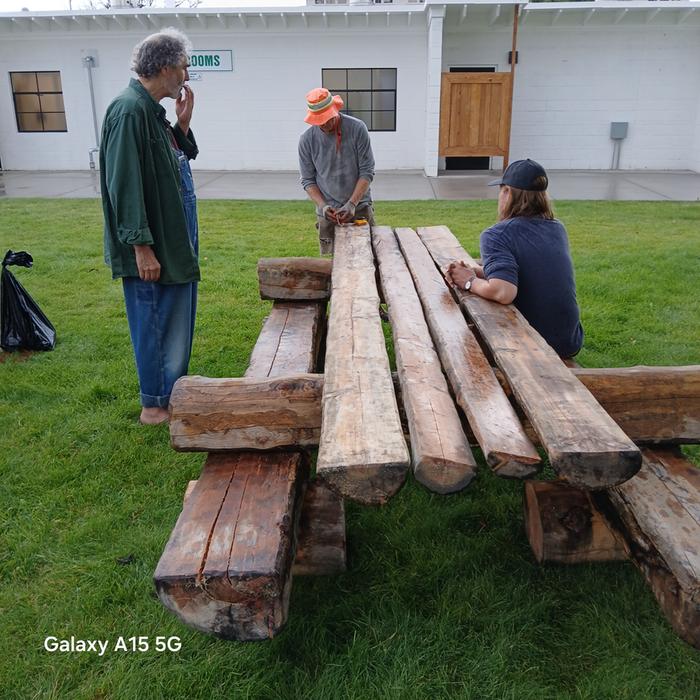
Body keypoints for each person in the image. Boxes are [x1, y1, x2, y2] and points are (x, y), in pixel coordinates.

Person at [100, 28, 200, 425]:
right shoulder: (128, 110)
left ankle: (172, 389)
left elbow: (169, 162)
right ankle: (155, 404)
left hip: (170, 239)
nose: (186, 76)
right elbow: (123, 183)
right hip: (151, 245)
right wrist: (141, 246)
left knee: (174, 314)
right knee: (155, 316)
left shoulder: (151, 112)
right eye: (183, 67)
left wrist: (183, 125)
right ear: (163, 67)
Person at [447, 158, 584, 359]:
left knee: (458, 338)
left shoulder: (497, 235)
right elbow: (532, 272)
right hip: (568, 340)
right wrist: (476, 271)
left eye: (501, 191)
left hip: (534, 342)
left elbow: (503, 292)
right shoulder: (557, 228)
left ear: (508, 192)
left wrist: (469, 282)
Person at [298, 87, 376, 254]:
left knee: (368, 259)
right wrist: (324, 207)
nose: (325, 124)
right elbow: (308, 180)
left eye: (328, 118)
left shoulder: (357, 129)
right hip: (328, 213)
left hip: (359, 207)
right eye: (320, 121)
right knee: (334, 268)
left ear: (335, 110)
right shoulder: (306, 140)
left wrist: (352, 203)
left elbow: (367, 171)